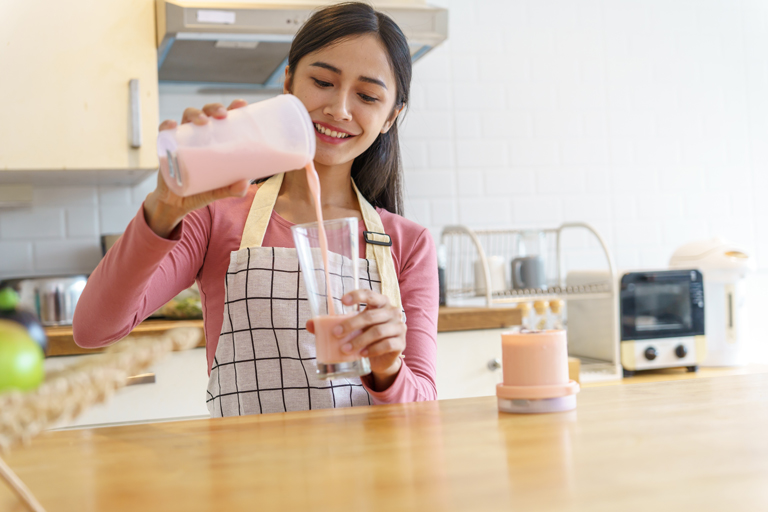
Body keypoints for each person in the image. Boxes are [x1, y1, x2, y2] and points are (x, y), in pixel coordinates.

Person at [73, 2, 438, 417]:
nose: (339, 109)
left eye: (367, 95)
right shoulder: (217, 214)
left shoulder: (408, 244)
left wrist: (388, 367)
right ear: (288, 81)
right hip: (243, 475)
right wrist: (164, 207)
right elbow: (92, 330)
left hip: (367, 476)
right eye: (322, 81)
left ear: (392, 116)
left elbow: (424, 407)